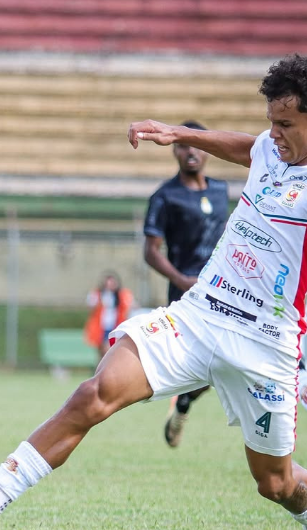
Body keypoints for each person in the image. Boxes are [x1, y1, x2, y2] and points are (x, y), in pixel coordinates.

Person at [0, 53, 307, 530]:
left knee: (277, 485)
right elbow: (247, 147)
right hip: (199, 316)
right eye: (271, 121)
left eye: (286, 123)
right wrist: (178, 131)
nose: (274, 133)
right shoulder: (271, 149)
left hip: (265, 344)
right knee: (94, 393)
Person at [143, 119, 231, 448]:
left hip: (222, 290)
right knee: (192, 361)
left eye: (196, 144)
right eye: (183, 146)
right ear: (175, 151)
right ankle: (155, 390)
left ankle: (183, 403)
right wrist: (181, 280)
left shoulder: (222, 191)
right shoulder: (165, 196)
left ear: (207, 149)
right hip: (185, 293)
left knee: (218, 363)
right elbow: (151, 252)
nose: (191, 151)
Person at [83, 272, 133, 362]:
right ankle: (100, 369)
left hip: (114, 325)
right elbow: (90, 305)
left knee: (108, 349)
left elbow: (129, 306)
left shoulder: (121, 295)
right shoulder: (98, 294)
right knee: (101, 351)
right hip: (101, 326)